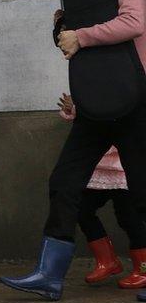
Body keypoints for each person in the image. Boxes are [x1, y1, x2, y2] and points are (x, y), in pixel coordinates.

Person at [0, 0, 146, 301]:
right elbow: (78, 42)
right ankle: (50, 274)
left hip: (133, 97)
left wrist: (80, 35)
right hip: (96, 101)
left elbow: (133, 22)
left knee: (142, 189)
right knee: (64, 182)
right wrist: (65, 27)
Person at [57, 92, 146, 287]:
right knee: (81, 208)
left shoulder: (130, 81)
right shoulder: (94, 81)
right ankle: (107, 260)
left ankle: (143, 267)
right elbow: (88, 115)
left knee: (129, 217)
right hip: (96, 164)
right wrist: (73, 107)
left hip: (125, 165)